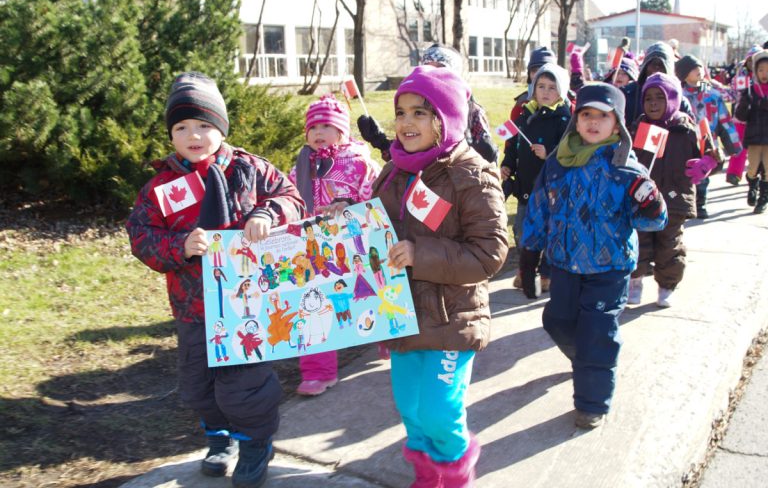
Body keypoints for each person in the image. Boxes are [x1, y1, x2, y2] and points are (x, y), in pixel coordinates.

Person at [126, 72, 305, 487]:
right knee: (198, 383)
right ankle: (219, 437)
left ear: (221, 128)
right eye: (182, 127)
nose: (194, 135)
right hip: (194, 308)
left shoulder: (249, 169)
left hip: (247, 303)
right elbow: (141, 235)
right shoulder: (161, 186)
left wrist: (267, 213)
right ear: (171, 133)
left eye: (204, 125)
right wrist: (180, 246)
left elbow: (291, 197)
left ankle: (255, 443)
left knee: (244, 384)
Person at [372, 65, 508, 486]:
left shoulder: (471, 173)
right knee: (410, 408)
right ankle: (428, 473)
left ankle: (455, 471)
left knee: (439, 409)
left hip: (453, 316)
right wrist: (349, 217)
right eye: (401, 112)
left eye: (420, 113)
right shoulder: (395, 169)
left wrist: (420, 254)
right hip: (402, 313)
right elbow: (378, 227)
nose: (406, 123)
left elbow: (490, 252)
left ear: (446, 119)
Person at [520, 83, 668, 429]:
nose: (593, 122)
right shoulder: (558, 162)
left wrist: (651, 201)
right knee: (557, 321)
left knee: (597, 334)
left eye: (603, 116)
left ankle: (593, 403)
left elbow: (652, 219)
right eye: (587, 114)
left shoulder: (624, 167)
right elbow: (540, 207)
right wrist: (529, 251)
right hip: (565, 263)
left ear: (617, 124)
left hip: (610, 267)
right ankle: (584, 357)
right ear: (576, 119)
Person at [289, 94, 380, 396]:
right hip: (316, 249)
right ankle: (318, 372)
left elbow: (378, 197)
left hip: (356, 244)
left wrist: (353, 204)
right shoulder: (302, 163)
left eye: (326, 125)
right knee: (314, 305)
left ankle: (392, 341)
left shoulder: (359, 163)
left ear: (342, 130)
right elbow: (290, 197)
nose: (317, 132)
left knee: (371, 297)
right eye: (312, 126)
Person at [628, 73, 719, 307]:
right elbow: (627, 156)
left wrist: (706, 164)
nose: (654, 103)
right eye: (648, 98)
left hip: (675, 199)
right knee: (639, 241)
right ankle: (635, 281)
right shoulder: (640, 125)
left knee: (669, 246)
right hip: (643, 197)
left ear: (673, 99)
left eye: (661, 97)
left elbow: (711, 154)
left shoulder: (686, 128)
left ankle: (666, 286)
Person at [357, 43, 499, 164]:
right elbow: (407, 155)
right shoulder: (414, 102)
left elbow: (486, 166)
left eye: (440, 68)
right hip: (418, 187)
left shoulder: (472, 111)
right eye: (428, 68)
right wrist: (381, 142)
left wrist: (484, 152)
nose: (432, 75)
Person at [500, 63, 571, 297]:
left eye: (552, 87)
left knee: (550, 232)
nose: (545, 92)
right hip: (525, 186)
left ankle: (547, 273)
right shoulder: (524, 115)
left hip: (550, 189)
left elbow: (568, 152)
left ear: (561, 91)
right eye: (541, 86)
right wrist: (507, 165)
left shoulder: (564, 119)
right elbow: (513, 144)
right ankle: (525, 270)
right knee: (521, 230)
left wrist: (548, 152)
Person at [676, 54, 742, 218]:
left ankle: (701, 203)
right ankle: (687, 203)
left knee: (703, 174)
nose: (698, 70)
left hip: (707, 142)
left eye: (699, 66)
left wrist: (733, 145)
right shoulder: (678, 96)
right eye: (693, 68)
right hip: (685, 141)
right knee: (686, 172)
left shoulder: (712, 95)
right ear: (684, 74)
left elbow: (725, 121)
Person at [734, 49, 768, 213]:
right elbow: (741, 115)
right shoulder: (750, 90)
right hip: (754, 136)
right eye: (761, 70)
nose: (764, 74)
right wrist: (743, 104)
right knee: (753, 167)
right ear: (755, 71)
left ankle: (763, 198)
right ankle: (752, 185)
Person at [509, 46, 558, 122]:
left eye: (543, 70)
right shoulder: (522, 102)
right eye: (534, 71)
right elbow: (512, 128)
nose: (538, 75)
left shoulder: (567, 103)